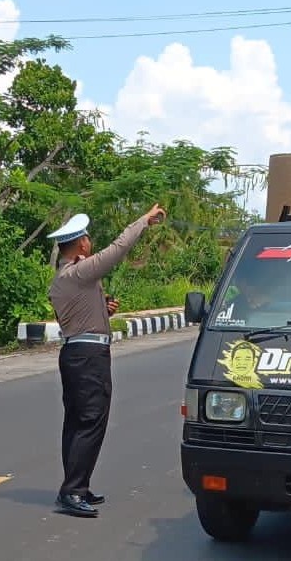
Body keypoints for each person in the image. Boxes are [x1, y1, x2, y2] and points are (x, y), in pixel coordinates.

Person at [47, 203, 166, 517]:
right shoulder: (82, 270)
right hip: (89, 358)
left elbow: (72, 316)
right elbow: (120, 247)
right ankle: (72, 491)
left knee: (76, 422)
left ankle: (78, 485)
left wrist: (104, 309)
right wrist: (143, 220)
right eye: (87, 238)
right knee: (91, 421)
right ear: (82, 243)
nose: (90, 242)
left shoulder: (64, 276)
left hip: (74, 352)